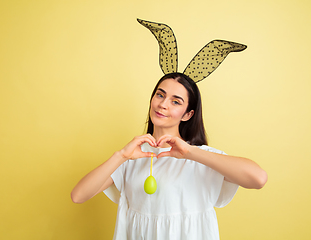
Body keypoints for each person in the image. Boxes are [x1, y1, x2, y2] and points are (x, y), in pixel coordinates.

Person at [71, 72, 268, 240]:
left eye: (176, 101)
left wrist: (190, 152)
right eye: (160, 95)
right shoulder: (133, 157)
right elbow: (78, 196)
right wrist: (121, 155)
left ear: (187, 115)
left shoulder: (200, 158)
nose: (163, 104)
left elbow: (258, 178)